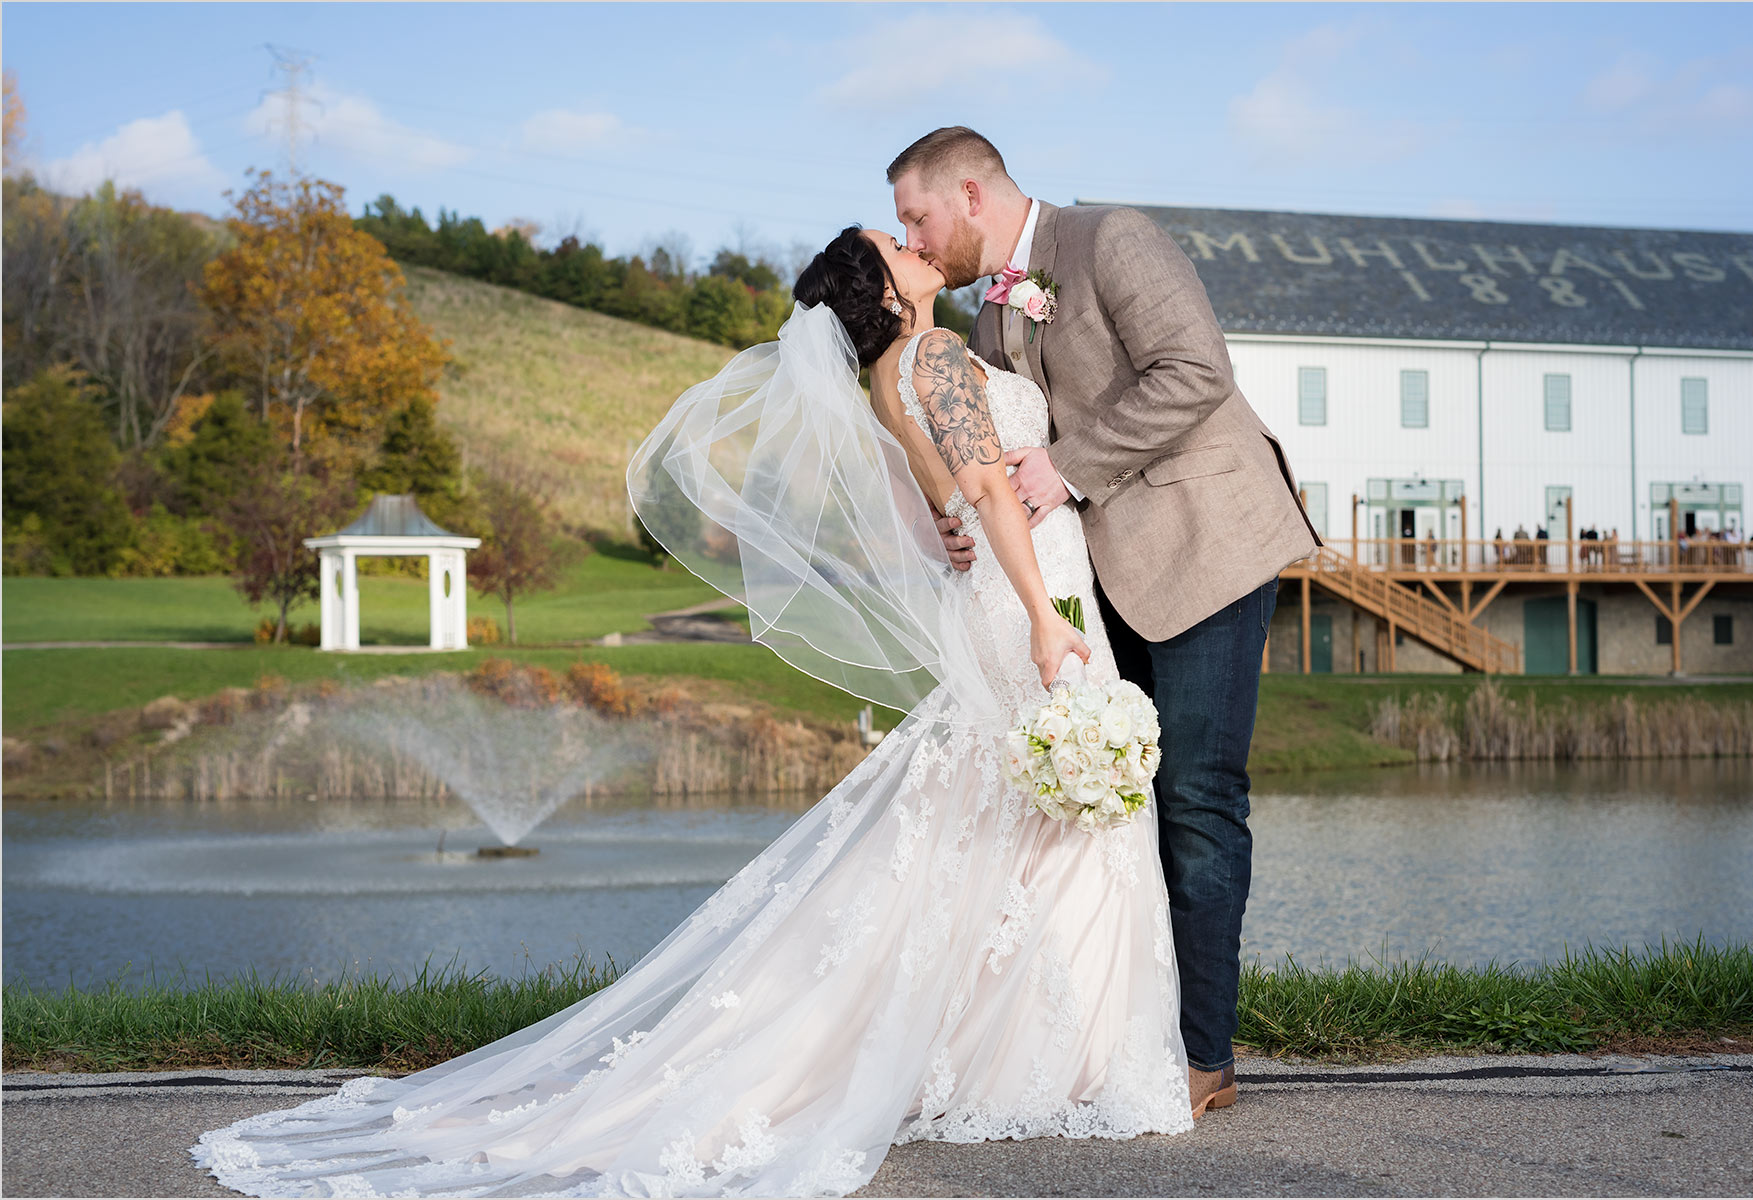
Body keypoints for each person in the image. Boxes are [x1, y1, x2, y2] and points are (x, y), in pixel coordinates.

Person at [192, 228, 1193, 1197]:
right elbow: (986, 487)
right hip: (1032, 597)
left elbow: (945, 512)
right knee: (1059, 815)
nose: (911, 240)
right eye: (893, 246)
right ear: (887, 295)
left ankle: (1022, 1052)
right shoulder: (932, 353)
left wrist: (982, 553)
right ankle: (1066, 1059)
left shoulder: (885, 383)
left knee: (1008, 821)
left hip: (997, 593)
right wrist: (1040, 619)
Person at [889, 127, 1319, 1119]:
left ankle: (1205, 1057)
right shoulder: (990, 311)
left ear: (967, 193)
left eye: (916, 215)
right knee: (1117, 809)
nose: (913, 236)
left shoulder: (1110, 237)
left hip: (1208, 544)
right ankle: (1121, 1032)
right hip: (1100, 579)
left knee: (1201, 798)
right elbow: (994, 450)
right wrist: (963, 519)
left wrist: (1069, 465)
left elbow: (1194, 372)